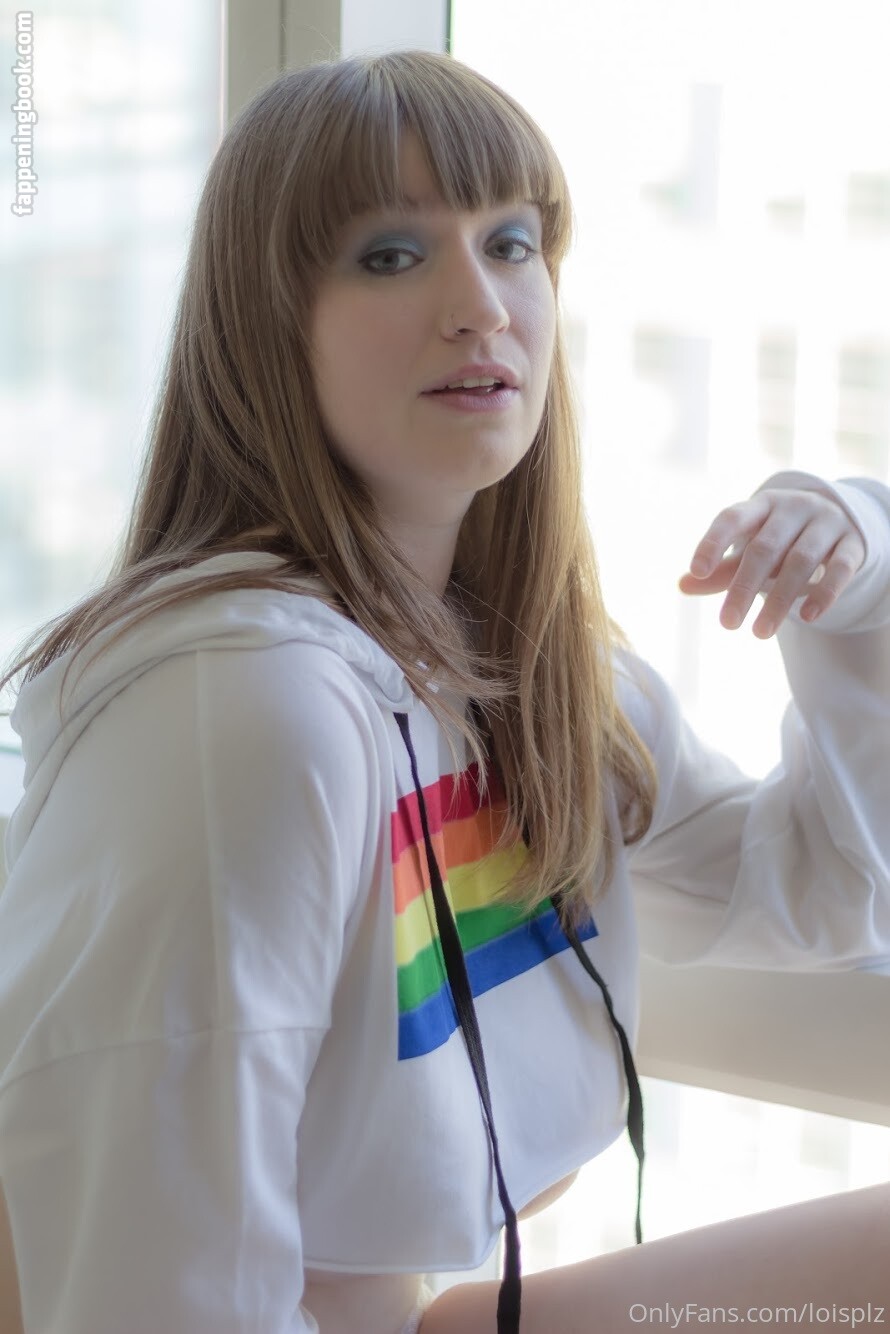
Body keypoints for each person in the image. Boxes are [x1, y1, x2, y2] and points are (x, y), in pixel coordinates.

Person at [0, 47, 888, 1334]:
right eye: (390, 255)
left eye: (511, 242)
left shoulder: (519, 667)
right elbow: (152, 1289)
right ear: (267, 323)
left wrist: (856, 572)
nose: (479, 304)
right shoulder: (246, 710)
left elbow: (812, 895)